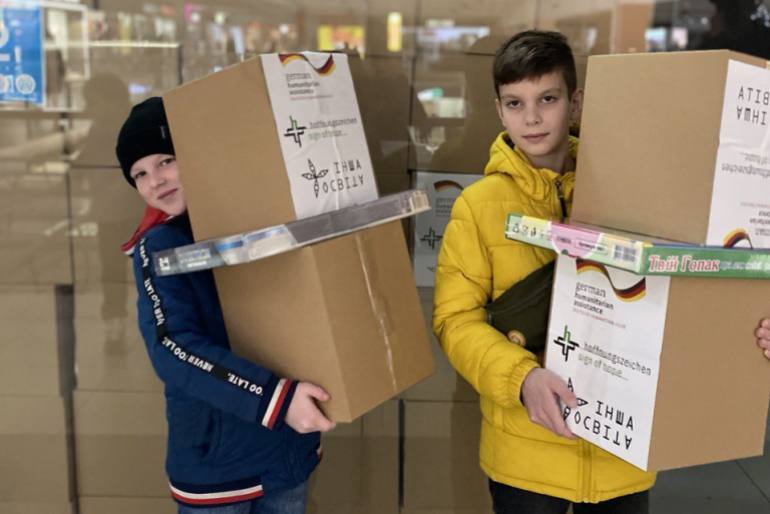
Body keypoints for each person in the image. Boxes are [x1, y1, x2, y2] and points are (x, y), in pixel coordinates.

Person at [432, 30, 770, 514]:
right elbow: (454, 320)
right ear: (499, 109)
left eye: (547, 98)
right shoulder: (478, 207)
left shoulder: (635, 195)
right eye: (515, 102)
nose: (531, 117)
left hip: (622, 457)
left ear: (575, 103)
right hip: (525, 456)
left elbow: (687, 292)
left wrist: (745, 333)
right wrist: (520, 377)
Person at [116, 97, 336, 514]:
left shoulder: (256, 219)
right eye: (139, 173)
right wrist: (275, 398)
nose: (155, 181)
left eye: (166, 160)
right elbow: (172, 347)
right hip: (219, 466)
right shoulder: (161, 244)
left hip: (289, 451)